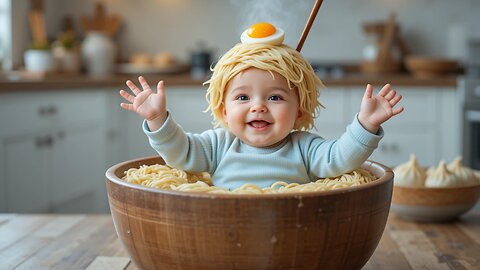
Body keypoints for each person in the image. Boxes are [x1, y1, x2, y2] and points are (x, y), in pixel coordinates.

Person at [119, 26, 403, 190]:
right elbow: (181, 153)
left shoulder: (305, 148)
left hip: (291, 227)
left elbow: (341, 158)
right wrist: (158, 120)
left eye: (275, 98)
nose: (258, 107)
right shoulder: (219, 144)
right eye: (243, 98)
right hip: (227, 227)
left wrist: (366, 124)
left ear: (300, 111)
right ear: (223, 111)